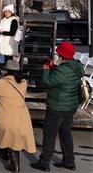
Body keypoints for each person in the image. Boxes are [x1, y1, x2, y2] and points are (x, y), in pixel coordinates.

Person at [31, 42, 84, 172]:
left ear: (62, 55)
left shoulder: (63, 70)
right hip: (70, 105)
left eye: (58, 53)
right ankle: (69, 161)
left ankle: (44, 163)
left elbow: (47, 82)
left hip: (57, 106)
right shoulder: (76, 66)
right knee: (65, 133)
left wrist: (46, 69)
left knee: (49, 134)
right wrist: (54, 67)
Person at [0, 59, 36, 172]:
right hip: (22, 119)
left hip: (7, 119)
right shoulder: (23, 83)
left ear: (7, 71)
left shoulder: (2, 83)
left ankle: (13, 164)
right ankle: (4, 153)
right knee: (15, 142)